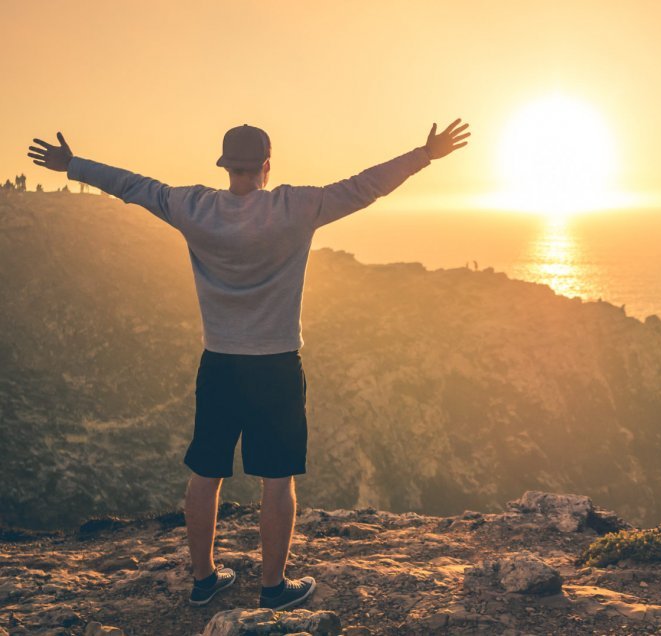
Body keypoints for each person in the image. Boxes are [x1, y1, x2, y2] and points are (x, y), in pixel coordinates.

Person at [27, 120, 470, 610]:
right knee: (277, 480)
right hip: (276, 364)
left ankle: (203, 581)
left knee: (206, 472)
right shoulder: (295, 207)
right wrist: (423, 154)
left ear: (224, 165)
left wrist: (73, 165)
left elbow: (133, 187)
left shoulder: (193, 207)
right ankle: (273, 588)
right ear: (266, 165)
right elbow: (364, 187)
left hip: (219, 362)